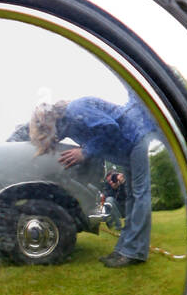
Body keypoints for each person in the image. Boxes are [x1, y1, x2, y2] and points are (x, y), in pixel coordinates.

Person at [30, 93, 158, 266]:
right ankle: (123, 250)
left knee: (140, 194)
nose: (53, 139)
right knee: (132, 199)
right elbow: (99, 135)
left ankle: (134, 252)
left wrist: (85, 152)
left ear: (50, 121)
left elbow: (111, 127)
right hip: (126, 150)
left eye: (47, 133)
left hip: (133, 138)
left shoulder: (76, 110)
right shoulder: (70, 125)